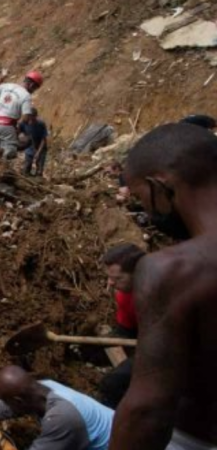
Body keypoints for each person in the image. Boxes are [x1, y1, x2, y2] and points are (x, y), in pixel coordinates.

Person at [110, 123, 217, 450]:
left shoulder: (172, 271)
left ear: (161, 186)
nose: (146, 211)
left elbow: (148, 411)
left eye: (143, 198)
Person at [0, 366, 114, 450]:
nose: (6, 405)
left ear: (18, 401)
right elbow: (5, 407)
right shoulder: (41, 388)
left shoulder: (61, 418)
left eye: (8, 401)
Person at [97, 244, 145, 409]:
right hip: (144, 341)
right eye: (109, 277)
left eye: (118, 278)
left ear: (138, 274)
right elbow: (127, 332)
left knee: (112, 384)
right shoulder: (123, 295)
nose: (110, 283)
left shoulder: (158, 296)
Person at [0, 70, 44, 160]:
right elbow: (26, 117)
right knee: (11, 152)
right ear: (32, 85)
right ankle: (4, 155)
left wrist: (2, 77)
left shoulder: (7, 85)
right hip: (7, 126)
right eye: (35, 88)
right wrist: (18, 128)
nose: (33, 91)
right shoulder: (26, 96)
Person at [19, 108, 49, 177]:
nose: (30, 119)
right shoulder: (23, 123)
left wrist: (38, 152)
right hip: (29, 147)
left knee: (39, 169)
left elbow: (43, 140)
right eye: (28, 116)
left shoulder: (41, 124)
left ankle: (38, 180)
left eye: (32, 117)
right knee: (27, 166)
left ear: (35, 117)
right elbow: (17, 132)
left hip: (41, 148)